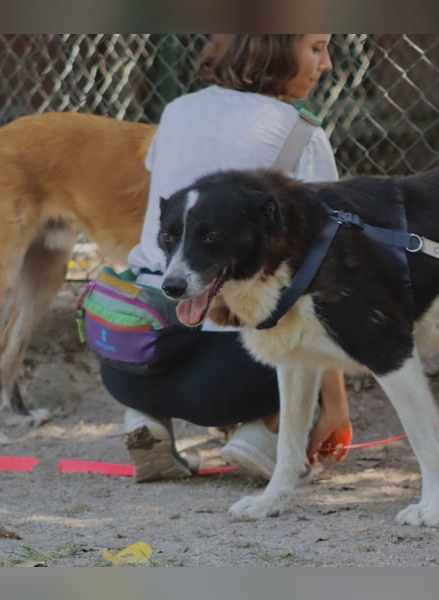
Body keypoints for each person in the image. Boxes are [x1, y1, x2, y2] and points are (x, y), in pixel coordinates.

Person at [100, 34, 352, 483]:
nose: (327, 64)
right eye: (316, 47)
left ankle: (145, 419)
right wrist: (335, 406)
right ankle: (262, 432)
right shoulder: (300, 134)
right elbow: (323, 275)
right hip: (233, 377)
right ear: (272, 46)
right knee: (297, 297)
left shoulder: (176, 111)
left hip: (130, 354)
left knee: (179, 270)